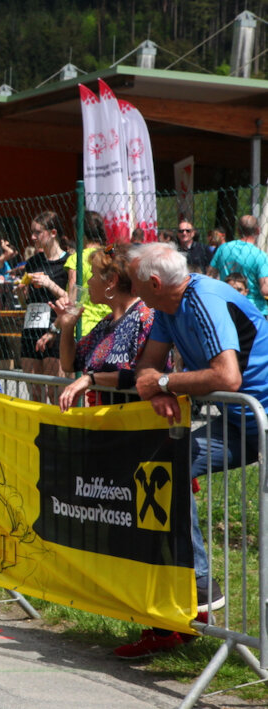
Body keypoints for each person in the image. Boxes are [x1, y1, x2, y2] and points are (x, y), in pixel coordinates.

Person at [127, 243, 268, 654]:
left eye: (134, 281)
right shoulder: (166, 308)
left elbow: (228, 377)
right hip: (241, 421)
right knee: (166, 463)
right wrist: (156, 388)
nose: (132, 288)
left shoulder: (203, 299)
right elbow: (147, 367)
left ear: (154, 283)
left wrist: (165, 383)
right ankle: (201, 582)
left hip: (258, 415)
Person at [55, 244, 163, 411]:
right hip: (108, 421)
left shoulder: (145, 317)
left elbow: (144, 374)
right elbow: (70, 364)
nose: (89, 282)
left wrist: (91, 379)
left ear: (111, 281)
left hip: (138, 420)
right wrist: (68, 327)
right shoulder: (106, 323)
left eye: (93, 275)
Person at [20, 211, 70, 401]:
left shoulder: (67, 262)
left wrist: (49, 283)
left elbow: (72, 300)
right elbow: (26, 302)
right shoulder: (33, 262)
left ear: (53, 233)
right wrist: (20, 292)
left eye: (38, 232)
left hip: (55, 328)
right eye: (32, 232)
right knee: (34, 391)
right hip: (31, 328)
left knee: (55, 392)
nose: (33, 237)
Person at [63, 211, 112, 337]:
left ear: (79, 232)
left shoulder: (76, 259)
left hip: (84, 328)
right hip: (110, 324)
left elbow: (73, 301)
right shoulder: (109, 255)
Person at [208, 214, 268, 314]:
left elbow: (210, 276)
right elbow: (265, 289)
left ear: (238, 230)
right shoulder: (260, 255)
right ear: (258, 230)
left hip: (227, 304)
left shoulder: (223, 249)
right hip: (253, 309)